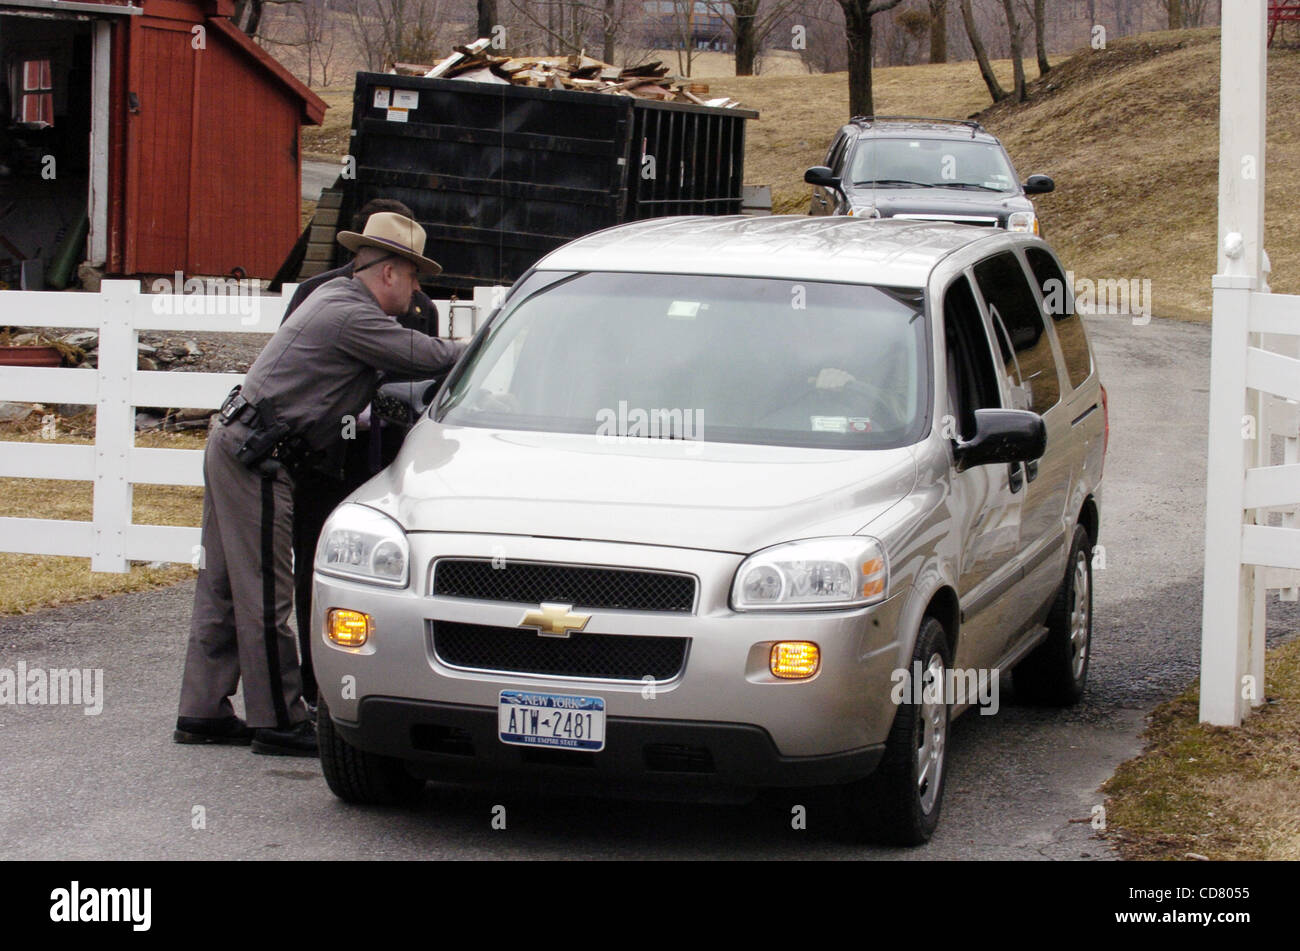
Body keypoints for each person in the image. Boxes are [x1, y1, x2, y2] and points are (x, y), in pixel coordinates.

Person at [174, 213, 467, 755]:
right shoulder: (351, 316)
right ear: (390, 273)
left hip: (237, 444)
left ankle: (203, 709)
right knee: (266, 590)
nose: (418, 290)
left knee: (222, 584)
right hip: (259, 456)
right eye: (414, 276)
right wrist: (489, 349)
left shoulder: (334, 298)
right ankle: (279, 719)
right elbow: (426, 357)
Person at [281, 198, 440, 707]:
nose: (414, 285)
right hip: (324, 454)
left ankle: (384, 679)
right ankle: (312, 684)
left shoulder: (423, 309)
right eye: (408, 271)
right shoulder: (318, 293)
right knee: (314, 563)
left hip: (385, 454)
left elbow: (427, 379)